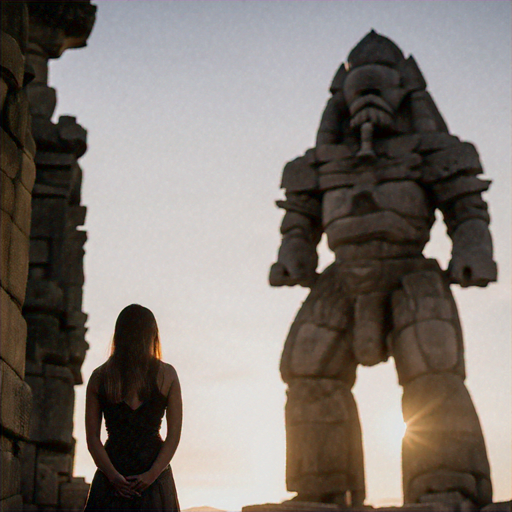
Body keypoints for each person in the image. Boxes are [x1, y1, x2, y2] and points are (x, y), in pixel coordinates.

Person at [84, 304, 182, 511]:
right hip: (154, 479)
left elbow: (93, 439)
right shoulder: (168, 375)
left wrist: (113, 477)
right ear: (152, 334)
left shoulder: (99, 377)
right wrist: (151, 475)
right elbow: (173, 436)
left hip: (112, 474)